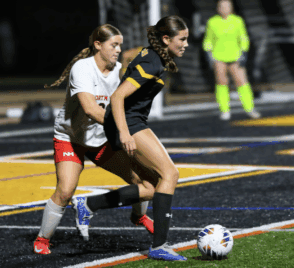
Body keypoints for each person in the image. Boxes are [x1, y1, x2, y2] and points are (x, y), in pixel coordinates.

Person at [72, 15, 189, 261]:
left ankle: (89, 205)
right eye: (183, 39)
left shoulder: (154, 55)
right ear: (166, 39)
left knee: (150, 187)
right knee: (170, 175)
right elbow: (117, 97)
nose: (186, 44)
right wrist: (125, 133)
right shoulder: (153, 62)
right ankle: (159, 246)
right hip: (128, 124)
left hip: (126, 123)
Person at [33, 24, 154, 255]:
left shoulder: (119, 72)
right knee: (66, 191)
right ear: (98, 45)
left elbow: (131, 63)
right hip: (71, 139)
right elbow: (90, 109)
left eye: (120, 45)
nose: (118, 50)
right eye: (113, 45)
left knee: (143, 179)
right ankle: (42, 239)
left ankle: (139, 217)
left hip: (100, 140)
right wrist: (124, 131)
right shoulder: (83, 68)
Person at [203, 0, 261, 121]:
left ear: (231, 8)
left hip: (235, 56)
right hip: (218, 57)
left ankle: (250, 108)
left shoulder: (237, 21)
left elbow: (243, 37)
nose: (224, 9)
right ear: (218, 8)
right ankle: (225, 110)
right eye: (221, 6)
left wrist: (244, 52)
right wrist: (209, 54)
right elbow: (208, 40)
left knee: (242, 82)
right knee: (221, 82)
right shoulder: (212, 22)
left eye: (227, 6)